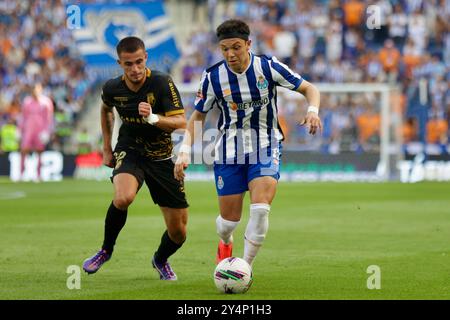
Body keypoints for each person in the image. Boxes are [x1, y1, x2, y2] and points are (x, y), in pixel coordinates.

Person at [174, 19, 322, 267]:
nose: (230, 54)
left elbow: (309, 88)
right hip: (229, 150)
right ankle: (225, 240)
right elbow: (197, 115)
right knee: (228, 222)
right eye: (225, 49)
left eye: (236, 47)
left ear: (248, 44)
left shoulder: (268, 67)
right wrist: (184, 150)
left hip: (266, 144)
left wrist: (314, 110)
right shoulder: (213, 77)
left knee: (261, 208)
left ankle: (244, 267)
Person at [82, 36, 188, 281]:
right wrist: (107, 148)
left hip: (161, 157)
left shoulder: (162, 83)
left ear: (146, 58)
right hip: (130, 150)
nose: (135, 69)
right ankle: (106, 250)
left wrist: (153, 118)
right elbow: (105, 109)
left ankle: (160, 259)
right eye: (129, 64)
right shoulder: (111, 88)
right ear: (120, 63)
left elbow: (182, 122)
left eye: (139, 62)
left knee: (179, 232)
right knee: (123, 197)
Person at [18, 83, 54, 182]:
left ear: (40, 90)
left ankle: (39, 175)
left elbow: (49, 118)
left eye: (37, 89)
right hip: (28, 130)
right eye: (33, 89)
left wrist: (47, 131)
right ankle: (21, 174)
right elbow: (23, 117)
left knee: (39, 152)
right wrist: (20, 130)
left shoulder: (46, 102)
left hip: (40, 131)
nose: (35, 91)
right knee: (24, 150)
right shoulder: (27, 102)